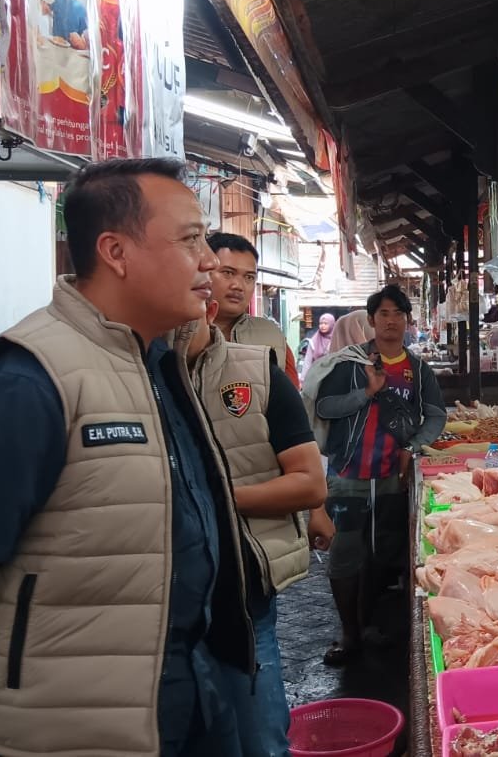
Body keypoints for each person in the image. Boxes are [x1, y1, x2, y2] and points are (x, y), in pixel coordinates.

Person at [0, 158, 256, 757]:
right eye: (191, 239)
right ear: (115, 251)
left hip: (185, 698)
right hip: (67, 732)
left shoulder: (156, 361)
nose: (210, 263)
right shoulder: (24, 381)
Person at [181, 299, 331, 757]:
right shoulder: (141, 379)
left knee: (259, 732)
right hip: (163, 599)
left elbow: (310, 482)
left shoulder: (259, 371)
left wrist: (212, 498)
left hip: (241, 581)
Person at [302, 285, 444, 666]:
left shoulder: (418, 370)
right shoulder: (350, 364)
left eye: (398, 314)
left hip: (392, 479)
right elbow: (327, 407)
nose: (391, 321)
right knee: (345, 555)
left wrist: (413, 446)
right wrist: (366, 392)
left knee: (383, 555)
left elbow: (435, 415)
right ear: (371, 320)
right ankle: (349, 634)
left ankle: (368, 624)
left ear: (407, 321)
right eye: (383, 313)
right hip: (348, 475)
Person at [208, 232, 300, 388]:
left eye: (249, 277)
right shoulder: (178, 333)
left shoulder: (271, 335)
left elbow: (291, 396)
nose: (239, 286)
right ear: (204, 271)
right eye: (228, 273)